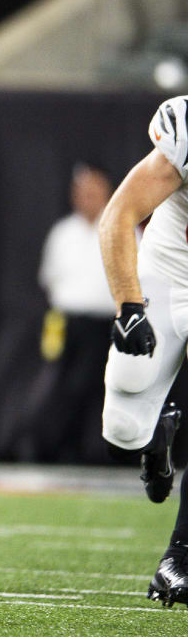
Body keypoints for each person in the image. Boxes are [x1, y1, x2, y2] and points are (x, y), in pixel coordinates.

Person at [98, 94, 188, 607]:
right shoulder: (185, 131)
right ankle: (158, 432)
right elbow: (120, 214)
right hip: (169, 273)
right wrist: (129, 307)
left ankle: (180, 556)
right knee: (122, 434)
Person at [18, 163, 116, 462]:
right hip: (67, 323)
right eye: (82, 193)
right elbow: (48, 279)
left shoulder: (118, 228)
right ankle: (51, 448)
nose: (88, 198)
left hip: (106, 326)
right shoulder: (62, 233)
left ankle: (97, 453)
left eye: (94, 192)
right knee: (62, 385)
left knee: (102, 388)